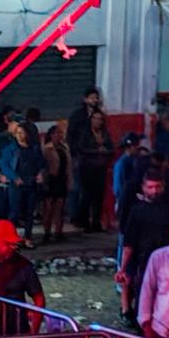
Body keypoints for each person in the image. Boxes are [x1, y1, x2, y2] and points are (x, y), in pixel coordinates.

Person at [117, 173, 169, 327]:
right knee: (144, 301)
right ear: (143, 188)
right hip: (143, 263)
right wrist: (123, 269)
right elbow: (128, 244)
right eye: (150, 187)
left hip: (166, 263)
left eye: (157, 187)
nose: (154, 191)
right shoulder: (137, 211)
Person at [67, 88, 111, 231]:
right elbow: (73, 140)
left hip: (99, 165)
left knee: (98, 194)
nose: (94, 100)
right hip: (83, 162)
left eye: (96, 97)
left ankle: (95, 222)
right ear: (85, 99)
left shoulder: (103, 130)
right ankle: (79, 218)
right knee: (81, 191)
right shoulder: (77, 117)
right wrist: (76, 155)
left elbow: (110, 146)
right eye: (92, 97)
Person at [39, 121, 70, 243]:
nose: (60, 135)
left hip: (62, 179)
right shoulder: (47, 149)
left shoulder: (64, 148)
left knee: (60, 208)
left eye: (61, 133)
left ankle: (58, 232)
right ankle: (47, 232)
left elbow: (68, 165)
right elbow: (43, 166)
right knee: (48, 208)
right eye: (58, 133)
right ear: (51, 135)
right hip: (51, 179)